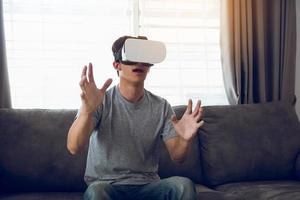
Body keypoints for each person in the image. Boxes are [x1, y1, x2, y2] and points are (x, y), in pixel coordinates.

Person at [67, 35, 204, 200]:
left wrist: (184, 139)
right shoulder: (100, 101)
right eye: (131, 58)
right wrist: (86, 111)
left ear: (149, 66)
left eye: (144, 58)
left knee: (183, 186)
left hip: (149, 186)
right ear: (117, 65)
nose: (138, 63)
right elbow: (74, 147)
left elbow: (178, 158)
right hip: (107, 186)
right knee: (96, 193)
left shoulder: (161, 106)